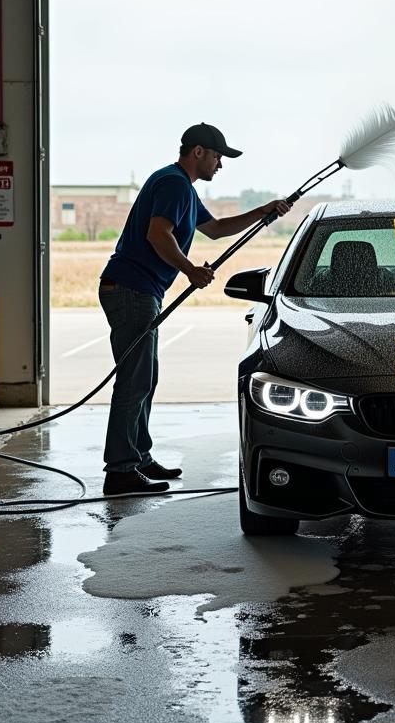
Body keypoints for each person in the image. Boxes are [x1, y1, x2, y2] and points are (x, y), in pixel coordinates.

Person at [99, 122, 292, 495]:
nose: (220, 165)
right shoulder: (173, 183)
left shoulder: (182, 188)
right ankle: (120, 471)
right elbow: (158, 234)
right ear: (198, 152)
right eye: (218, 156)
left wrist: (264, 212)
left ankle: (138, 457)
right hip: (130, 290)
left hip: (139, 291)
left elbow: (216, 228)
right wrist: (190, 270)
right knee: (135, 379)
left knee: (145, 377)